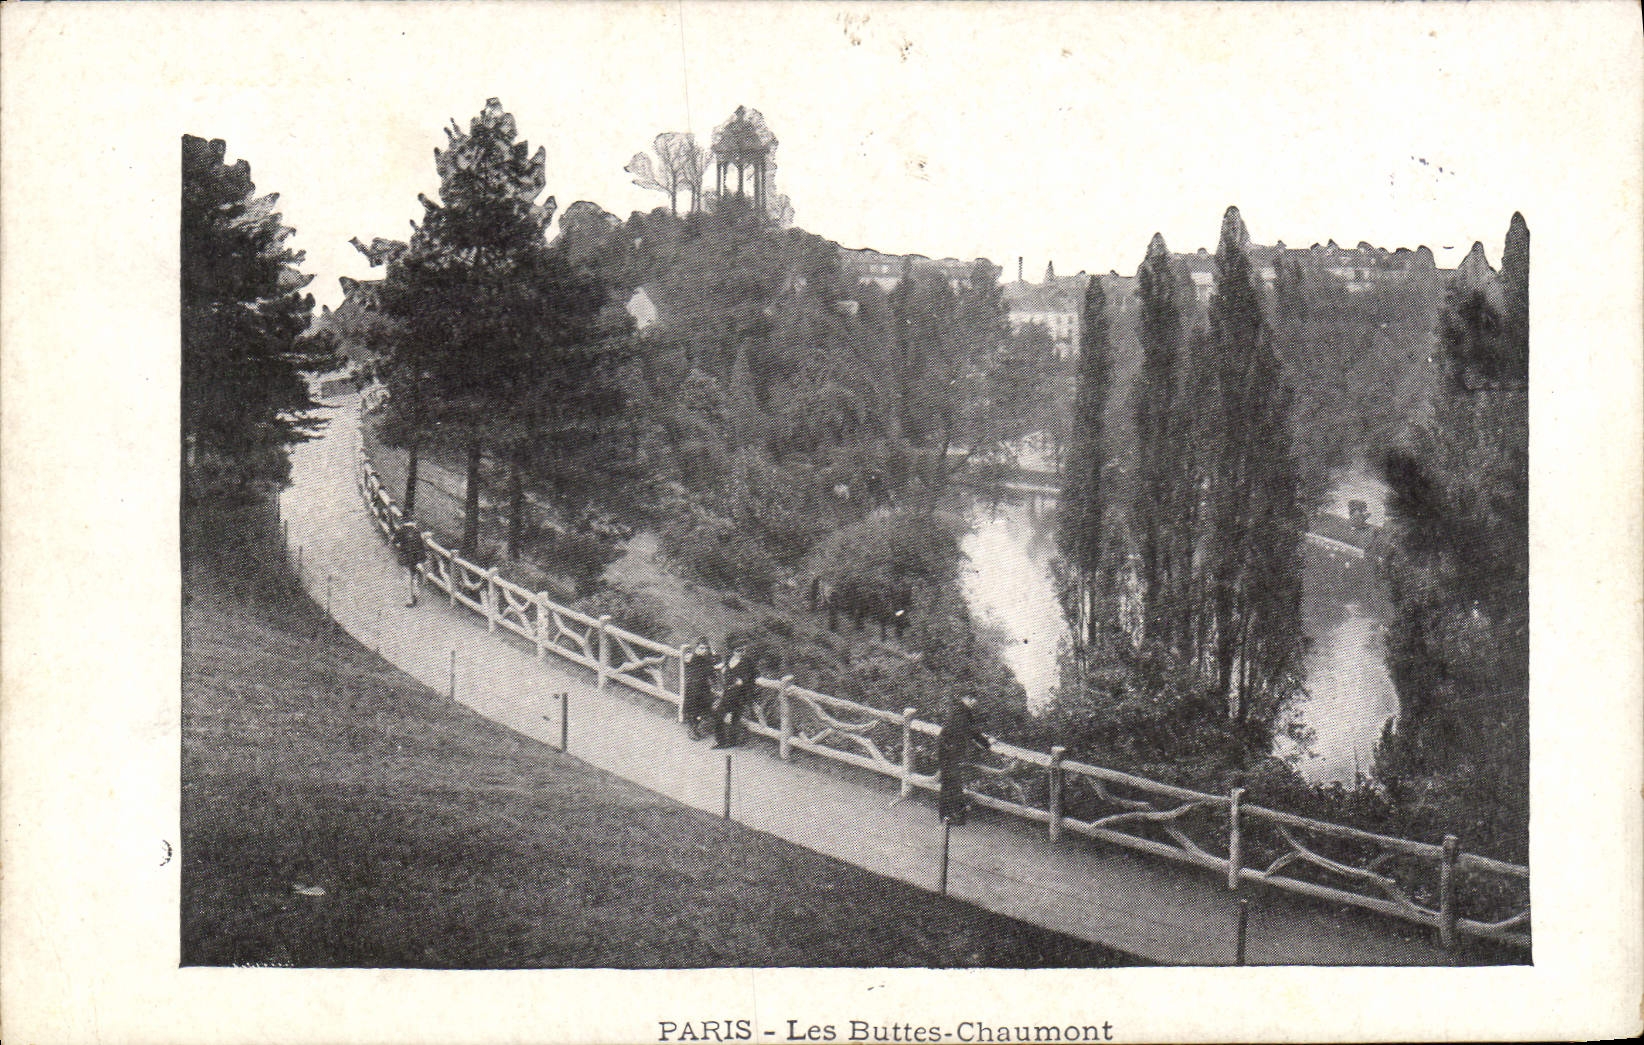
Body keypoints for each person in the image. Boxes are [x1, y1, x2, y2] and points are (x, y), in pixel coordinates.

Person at [937, 692, 992, 826]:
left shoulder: (960, 710)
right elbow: (972, 732)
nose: (974, 702)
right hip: (950, 751)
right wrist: (987, 743)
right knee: (952, 783)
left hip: (948, 750)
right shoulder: (962, 712)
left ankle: (948, 816)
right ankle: (950, 816)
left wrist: (984, 740)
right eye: (972, 699)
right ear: (966, 698)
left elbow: (970, 731)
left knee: (950, 783)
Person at [712, 639, 758, 749]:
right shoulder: (728, 659)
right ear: (733, 651)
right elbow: (724, 669)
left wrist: (743, 680)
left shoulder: (747, 661)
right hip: (728, 692)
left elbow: (755, 674)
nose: (741, 652)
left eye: (743, 650)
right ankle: (722, 741)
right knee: (719, 715)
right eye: (738, 650)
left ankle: (732, 741)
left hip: (740, 694)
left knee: (735, 718)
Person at [681, 637, 716, 740]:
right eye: (701, 648)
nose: (704, 650)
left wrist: (713, 682)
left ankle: (696, 728)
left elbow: (712, 670)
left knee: (704, 708)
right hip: (693, 687)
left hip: (704, 687)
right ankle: (692, 729)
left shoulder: (707, 659)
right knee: (693, 709)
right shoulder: (692, 658)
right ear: (696, 648)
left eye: (706, 648)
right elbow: (687, 661)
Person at [391, 521, 425, 607]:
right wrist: (421, 559)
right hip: (414, 558)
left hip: (405, 557)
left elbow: (394, 541)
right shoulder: (416, 531)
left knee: (407, 577)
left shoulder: (401, 530)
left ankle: (409, 600)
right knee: (414, 576)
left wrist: (400, 546)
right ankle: (415, 592)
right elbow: (421, 546)